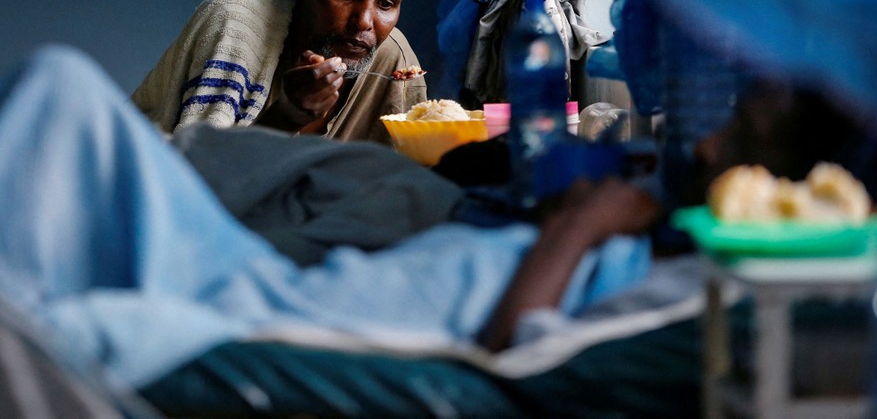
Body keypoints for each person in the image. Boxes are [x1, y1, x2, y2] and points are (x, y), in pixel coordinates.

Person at [0, 44, 657, 391]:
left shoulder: (669, 275)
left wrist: (576, 227)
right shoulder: (643, 204)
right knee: (62, 86)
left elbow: (519, 359)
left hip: (267, 299)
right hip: (289, 256)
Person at [131, 0, 426, 144]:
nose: (364, 21)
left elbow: (416, 187)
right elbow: (197, 180)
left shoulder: (395, 62)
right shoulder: (237, 21)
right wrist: (288, 114)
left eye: (386, 4)